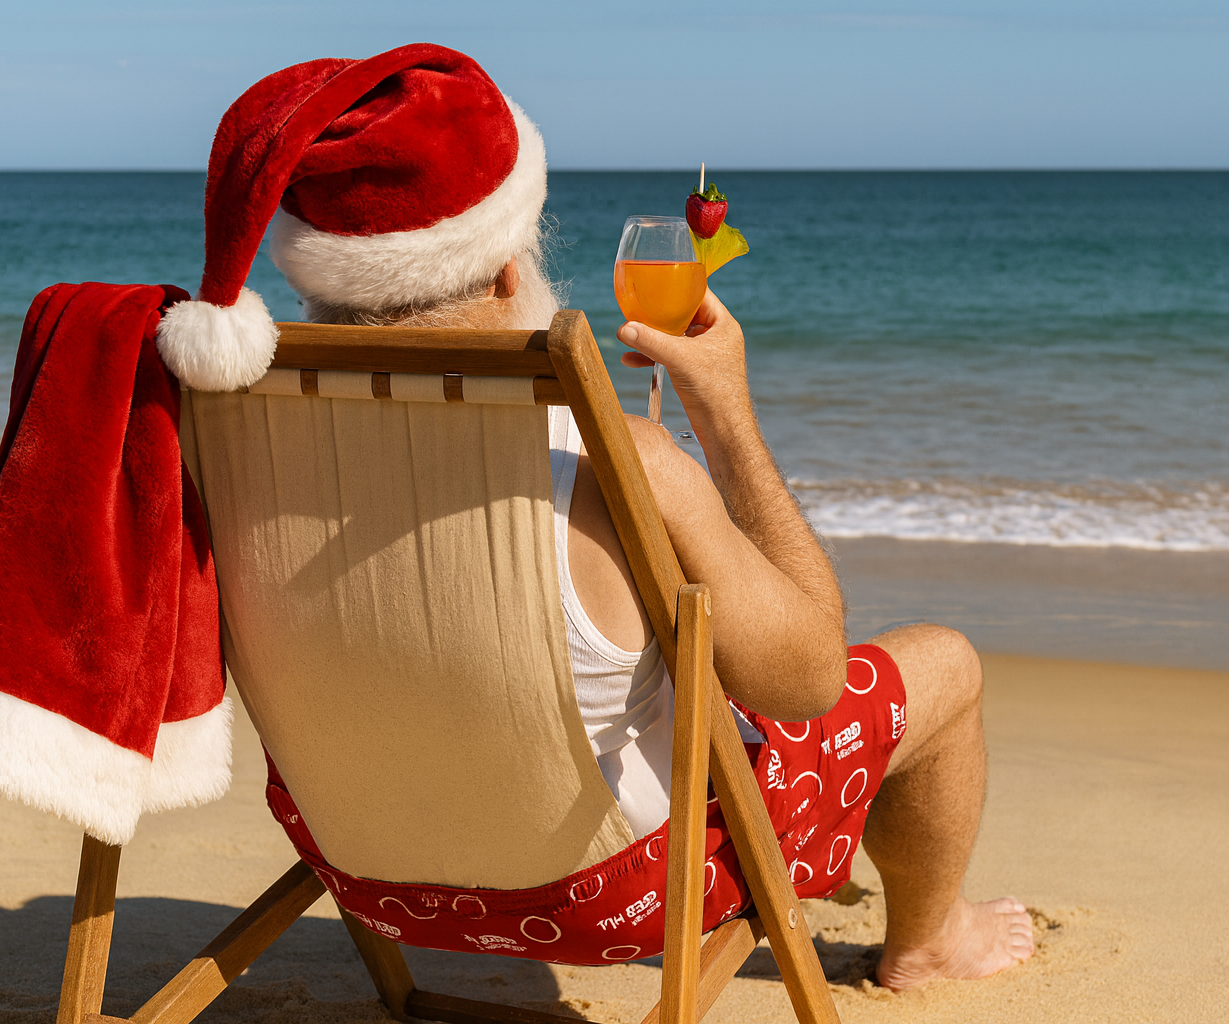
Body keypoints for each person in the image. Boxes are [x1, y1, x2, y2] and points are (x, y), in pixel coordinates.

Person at [156, 43, 1033, 990]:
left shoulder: (219, 436)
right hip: (612, 895)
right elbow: (811, 677)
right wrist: (725, 411)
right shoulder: (621, 466)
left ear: (312, 278)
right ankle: (928, 942)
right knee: (944, 661)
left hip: (365, 869)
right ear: (501, 274)